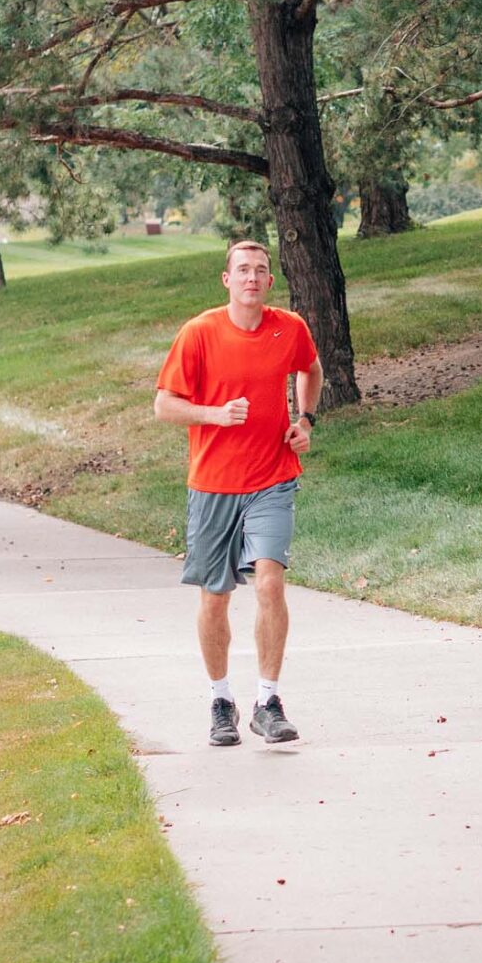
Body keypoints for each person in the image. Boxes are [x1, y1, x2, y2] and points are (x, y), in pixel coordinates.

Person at [154, 240, 322, 747]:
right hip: (212, 486)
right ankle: (220, 701)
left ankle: (268, 701)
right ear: (226, 280)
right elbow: (164, 404)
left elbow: (310, 370)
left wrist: (305, 419)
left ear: (271, 281)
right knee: (215, 598)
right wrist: (213, 414)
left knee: (270, 584)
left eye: (261, 270)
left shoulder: (288, 327)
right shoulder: (200, 332)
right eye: (242, 270)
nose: (252, 277)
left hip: (273, 478)